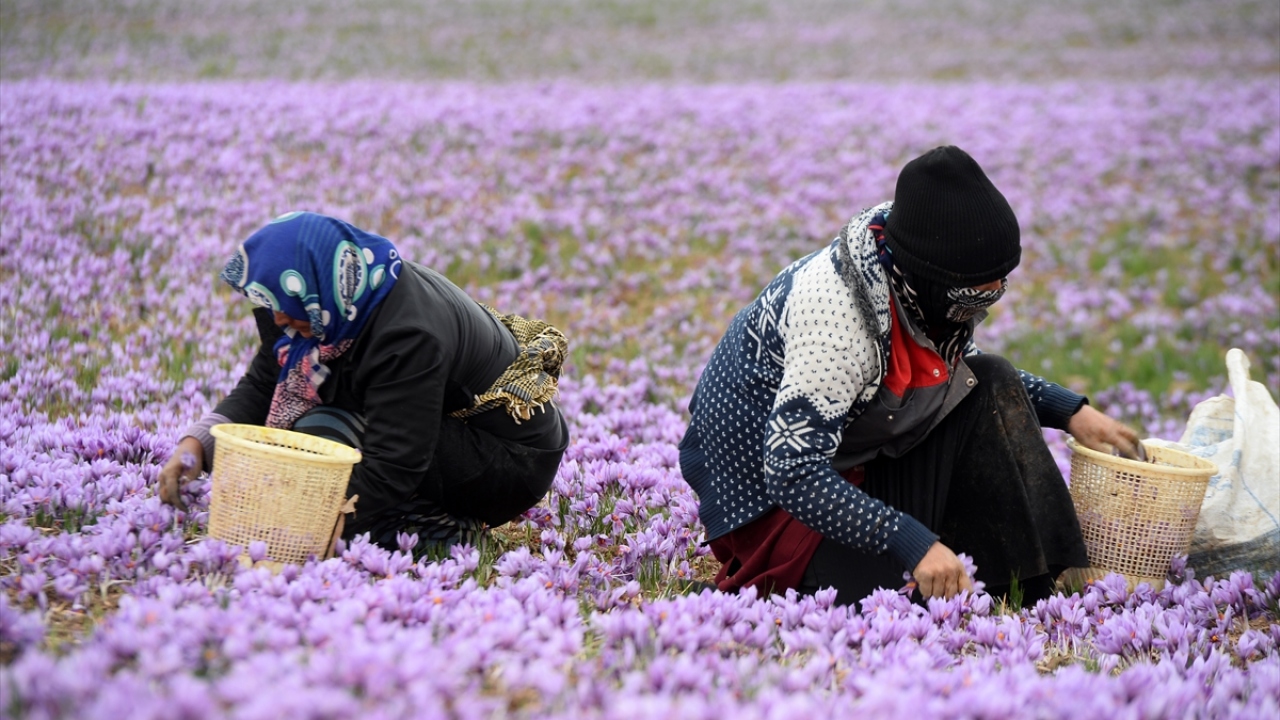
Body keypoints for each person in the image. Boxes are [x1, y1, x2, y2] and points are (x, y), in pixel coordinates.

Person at [678, 146, 1140, 606]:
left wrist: (1070, 411)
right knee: (896, 604)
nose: (988, 302)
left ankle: (1048, 585)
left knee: (993, 378)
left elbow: (962, 369)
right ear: (930, 277)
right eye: (975, 296)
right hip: (773, 509)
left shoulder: (907, 273)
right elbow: (791, 472)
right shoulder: (837, 319)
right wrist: (909, 540)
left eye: (999, 287)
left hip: (854, 465)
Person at [157, 211, 570, 553]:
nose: (279, 318)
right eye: (272, 303)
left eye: (288, 305)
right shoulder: (324, 304)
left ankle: (437, 531)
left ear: (320, 283)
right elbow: (267, 381)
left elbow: (396, 461)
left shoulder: (405, 335)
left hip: (505, 463)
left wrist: (309, 526)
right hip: (433, 437)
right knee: (312, 439)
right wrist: (196, 446)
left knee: (323, 433)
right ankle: (397, 519)